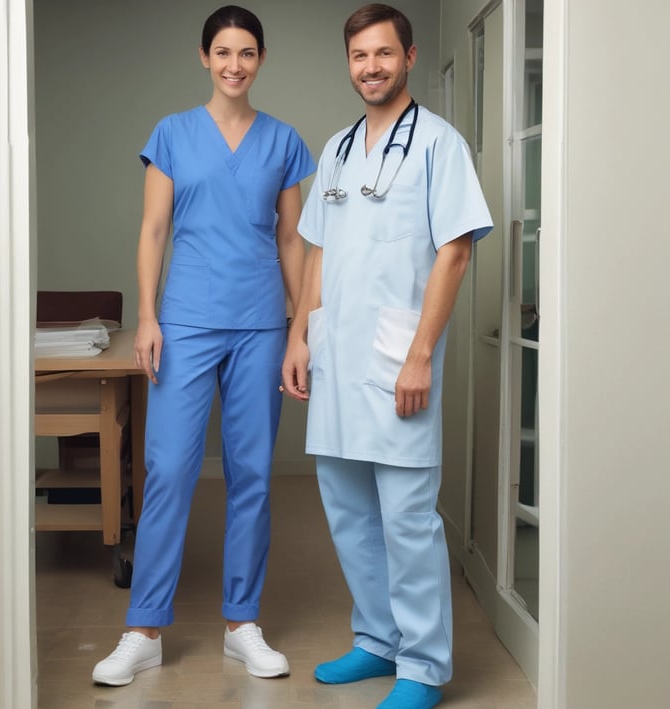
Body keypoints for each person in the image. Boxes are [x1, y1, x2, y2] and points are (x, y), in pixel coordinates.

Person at [92, 5, 315, 687]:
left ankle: (242, 622)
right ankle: (143, 628)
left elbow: (291, 241)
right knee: (169, 470)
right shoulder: (171, 133)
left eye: (247, 53)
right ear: (204, 57)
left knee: (251, 472)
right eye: (223, 52)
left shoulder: (282, 141)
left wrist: (300, 331)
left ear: (261, 60)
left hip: (258, 323)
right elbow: (153, 230)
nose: (234, 64)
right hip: (184, 320)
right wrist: (148, 317)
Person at [281, 4, 493, 709]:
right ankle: (377, 639)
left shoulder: (438, 144)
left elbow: (455, 251)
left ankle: (425, 666)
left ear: (407, 57)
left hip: (399, 356)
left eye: (382, 53)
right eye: (358, 56)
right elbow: (316, 248)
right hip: (337, 356)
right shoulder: (337, 150)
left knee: (406, 517)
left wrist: (420, 354)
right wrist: (299, 336)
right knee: (347, 509)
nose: (369, 66)